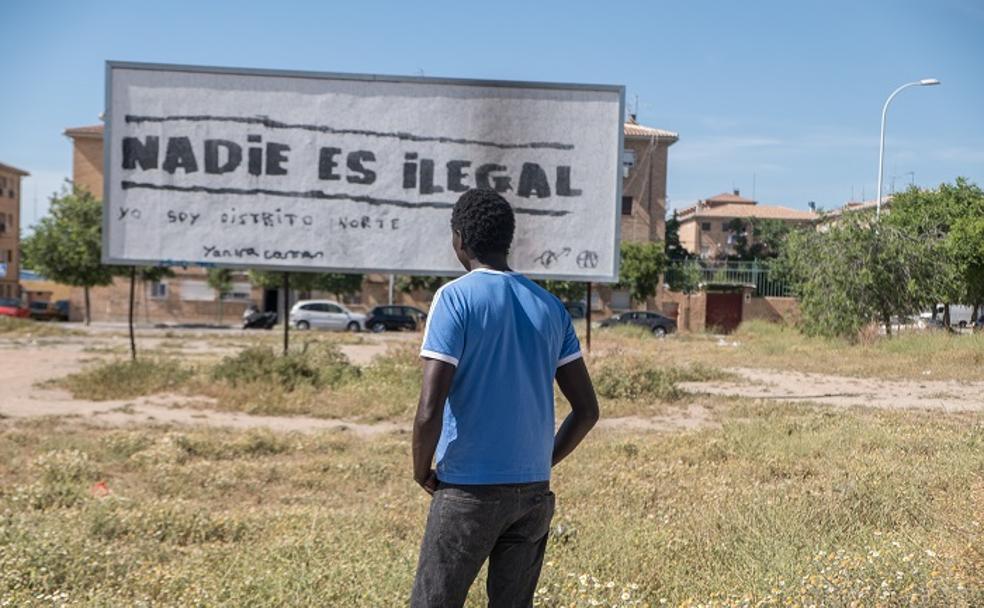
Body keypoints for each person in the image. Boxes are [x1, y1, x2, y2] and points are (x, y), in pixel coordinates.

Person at [410, 189, 600, 607]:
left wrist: (420, 469)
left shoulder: (455, 298)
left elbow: (429, 410)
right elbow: (587, 411)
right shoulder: (550, 307)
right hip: (532, 492)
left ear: (459, 238)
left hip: (466, 491)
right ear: (507, 239)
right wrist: (541, 459)